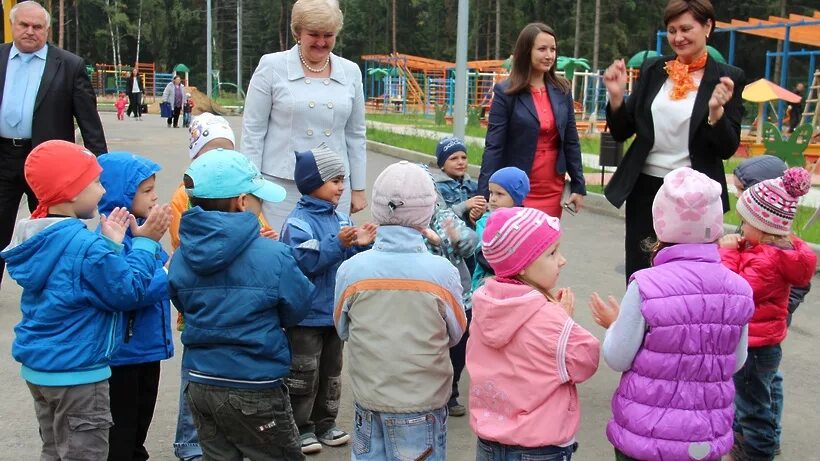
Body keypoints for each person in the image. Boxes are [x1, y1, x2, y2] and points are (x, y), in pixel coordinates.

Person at [0, 140, 170, 460]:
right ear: (72, 191)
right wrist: (146, 244)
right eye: (93, 182)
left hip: (41, 371)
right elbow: (126, 291)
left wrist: (112, 246)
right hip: (78, 375)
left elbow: (78, 282)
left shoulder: (42, 235)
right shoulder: (84, 245)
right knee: (85, 454)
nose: (102, 191)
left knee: (55, 450)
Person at [589, 167, 755, 461]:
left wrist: (615, 324)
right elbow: (737, 360)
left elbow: (617, 356)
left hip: (645, 437)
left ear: (660, 223)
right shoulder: (739, 289)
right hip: (705, 438)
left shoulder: (646, 286)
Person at [168, 149, 314, 461]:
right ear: (242, 202)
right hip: (255, 383)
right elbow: (299, 306)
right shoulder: (273, 255)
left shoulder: (182, 255)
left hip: (201, 383)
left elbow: (181, 300)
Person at [602, 0, 745, 282]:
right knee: (641, 271)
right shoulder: (654, 69)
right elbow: (622, 132)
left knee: (688, 276)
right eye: (671, 30)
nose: (678, 37)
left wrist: (716, 112)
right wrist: (617, 97)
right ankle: (639, 326)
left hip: (696, 195)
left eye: (686, 29)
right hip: (646, 188)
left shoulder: (728, 77)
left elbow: (727, 148)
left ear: (707, 27)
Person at [334, 161, 467, 461]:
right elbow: (456, 332)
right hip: (422, 402)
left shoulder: (352, 270)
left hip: (369, 399)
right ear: (427, 211)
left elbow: (342, 327)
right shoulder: (441, 272)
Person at [168, 113, 277, 461]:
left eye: (225, 150)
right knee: (196, 378)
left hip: (236, 300)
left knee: (219, 380)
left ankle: (224, 441)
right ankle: (189, 442)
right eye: (210, 151)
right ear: (195, 157)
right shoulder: (183, 197)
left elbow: (258, 228)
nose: (218, 159)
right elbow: (184, 243)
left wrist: (266, 239)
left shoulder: (243, 195)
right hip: (204, 305)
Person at [467, 207, 600, 461]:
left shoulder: (483, 304)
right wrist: (563, 319)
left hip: (488, 443)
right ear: (523, 265)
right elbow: (586, 360)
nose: (562, 260)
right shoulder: (551, 320)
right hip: (540, 448)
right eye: (552, 253)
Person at [0, 0, 108, 285]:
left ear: (47, 30)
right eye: (24, 25)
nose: (30, 31)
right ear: (13, 26)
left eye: (38, 27)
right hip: (2, 157)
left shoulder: (69, 66)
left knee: (53, 230)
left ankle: (56, 287)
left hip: (50, 165)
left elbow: (89, 121)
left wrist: (102, 164)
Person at [280, 145, 376, 454]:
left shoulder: (341, 219)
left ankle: (326, 422)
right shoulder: (297, 223)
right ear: (311, 182)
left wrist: (360, 245)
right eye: (334, 180)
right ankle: (300, 426)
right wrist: (338, 243)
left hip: (334, 313)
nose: (341, 187)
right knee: (303, 374)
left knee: (332, 373)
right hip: (305, 316)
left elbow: (345, 259)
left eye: (342, 180)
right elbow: (305, 261)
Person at [242, 0, 367, 231]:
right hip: (282, 187)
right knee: (284, 255)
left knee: (332, 253)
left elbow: (356, 134)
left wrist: (358, 187)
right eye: (314, 34)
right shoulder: (271, 66)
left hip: (336, 187)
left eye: (328, 35)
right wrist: (251, 189)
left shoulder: (350, 72)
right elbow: (253, 131)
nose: (321, 42)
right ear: (298, 32)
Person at [718, 167, 816, 461]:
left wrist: (728, 253)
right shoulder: (777, 251)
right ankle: (754, 443)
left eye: (745, 222)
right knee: (759, 397)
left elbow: (735, 292)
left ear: (762, 226)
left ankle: (758, 452)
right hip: (763, 342)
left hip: (754, 345)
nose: (740, 228)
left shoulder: (767, 261)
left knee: (752, 407)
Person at [97, 152, 174, 461]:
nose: (155, 196)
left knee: (139, 425)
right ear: (120, 193)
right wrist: (169, 275)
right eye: (146, 190)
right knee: (122, 431)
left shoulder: (142, 230)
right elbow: (131, 289)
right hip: (124, 355)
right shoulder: (110, 238)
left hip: (147, 349)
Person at [478, 22, 585, 218]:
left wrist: (579, 185)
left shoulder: (562, 89)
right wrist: (483, 194)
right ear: (526, 51)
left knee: (547, 244)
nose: (549, 55)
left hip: (553, 185)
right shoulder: (505, 92)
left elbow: (571, 140)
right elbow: (494, 146)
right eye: (542, 49)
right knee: (517, 243)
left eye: (553, 49)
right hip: (516, 187)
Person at [421, 166, 479, 418]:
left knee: (458, 348)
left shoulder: (444, 216)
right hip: (425, 299)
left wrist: (455, 239)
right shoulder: (403, 222)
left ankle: (451, 388)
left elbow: (469, 242)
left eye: (427, 189)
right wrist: (430, 241)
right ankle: (432, 392)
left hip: (459, 296)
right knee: (430, 346)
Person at [471, 167, 530, 291]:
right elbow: (484, 255)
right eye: (491, 193)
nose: (492, 198)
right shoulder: (486, 221)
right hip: (485, 285)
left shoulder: (527, 221)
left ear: (516, 196)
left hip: (518, 287)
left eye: (500, 194)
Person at [435, 136, 485, 223]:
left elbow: (484, 211)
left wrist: (477, 213)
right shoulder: (437, 188)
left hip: (471, 234)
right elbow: (439, 217)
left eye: (464, 157)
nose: (461, 162)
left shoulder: (473, 186)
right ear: (442, 165)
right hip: (449, 235)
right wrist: (465, 206)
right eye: (453, 158)